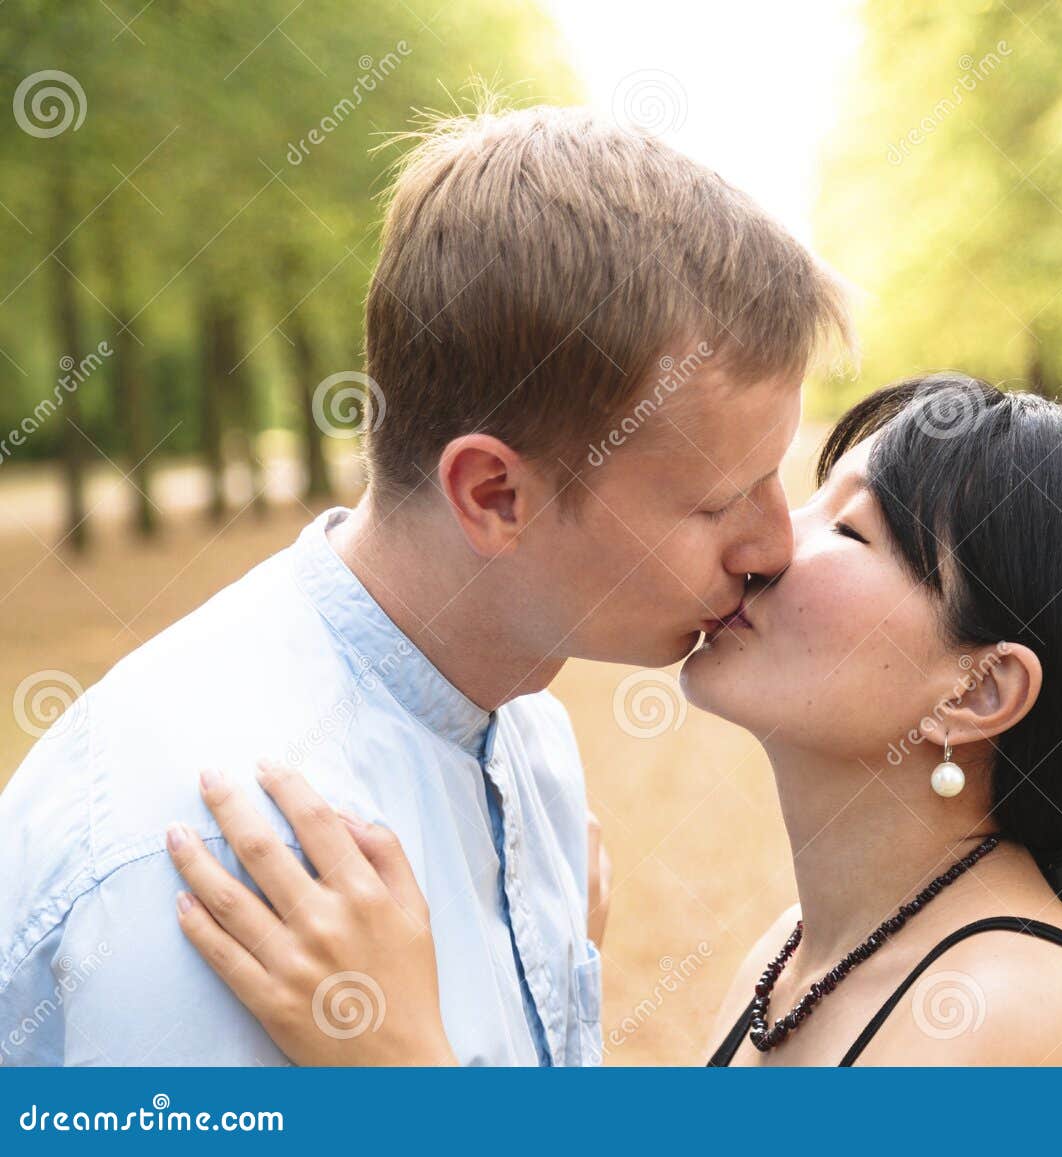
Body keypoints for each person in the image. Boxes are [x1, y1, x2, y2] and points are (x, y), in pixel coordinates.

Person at [0, 104, 850, 1066]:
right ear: (493, 494)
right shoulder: (228, 868)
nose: (773, 545)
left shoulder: (529, 747)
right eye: (718, 502)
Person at [163, 374, 1062, 1066]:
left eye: (850, 531)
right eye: (803, 496)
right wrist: (541, 983)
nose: (769, 540)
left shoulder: (1010, 1012)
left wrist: (397, 1070)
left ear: (973, 691)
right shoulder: (794, 953)